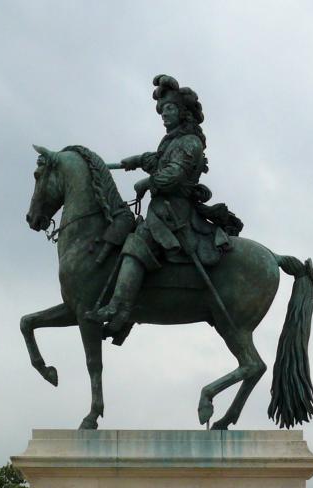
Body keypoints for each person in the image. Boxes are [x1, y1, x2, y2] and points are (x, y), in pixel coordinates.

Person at [85, 75, 241, 340]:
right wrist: (135, 161)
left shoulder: (190, 142)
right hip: (162, 208)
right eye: (162, 111)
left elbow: (173, 174)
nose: (164, 116)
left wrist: (149, 182)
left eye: (169, 109)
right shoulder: (172, 141)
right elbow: (158, 159)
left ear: (183, 112)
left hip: (174, 212)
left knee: (138, 241)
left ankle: (119, 309)